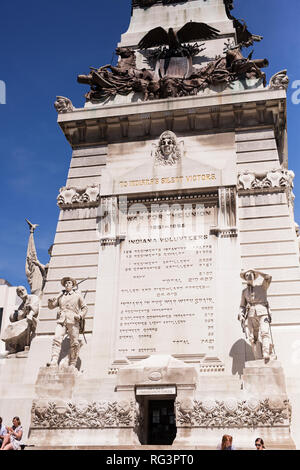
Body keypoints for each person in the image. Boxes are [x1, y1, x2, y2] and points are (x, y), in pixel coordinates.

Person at [47, 277, 88, 369]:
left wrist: (80, 315)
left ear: (73, 285)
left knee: (74, 342)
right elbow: (51, 306)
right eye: (65, 283)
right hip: (62, 320)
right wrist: (50, 302)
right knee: (56, 338)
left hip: (73, 320)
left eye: (69, 283)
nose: (67, 284)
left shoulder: (77, 295)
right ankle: (54, 360)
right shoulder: (61, 296)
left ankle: (73, 363)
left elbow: (85, 308)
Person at [238, 270, 275, 362]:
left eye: (250, 275)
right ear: (245, 278)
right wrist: (241, 314)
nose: (248, 276)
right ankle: (258, 357)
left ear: (254, 276)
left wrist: (256, 271)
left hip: (263, 312)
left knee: (264, 333)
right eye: (246, 275)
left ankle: (266, 353)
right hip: (251, 314)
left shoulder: (262, 286)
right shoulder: (244, 291)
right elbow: (242, 305)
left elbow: (268, 277)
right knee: (252, 337)